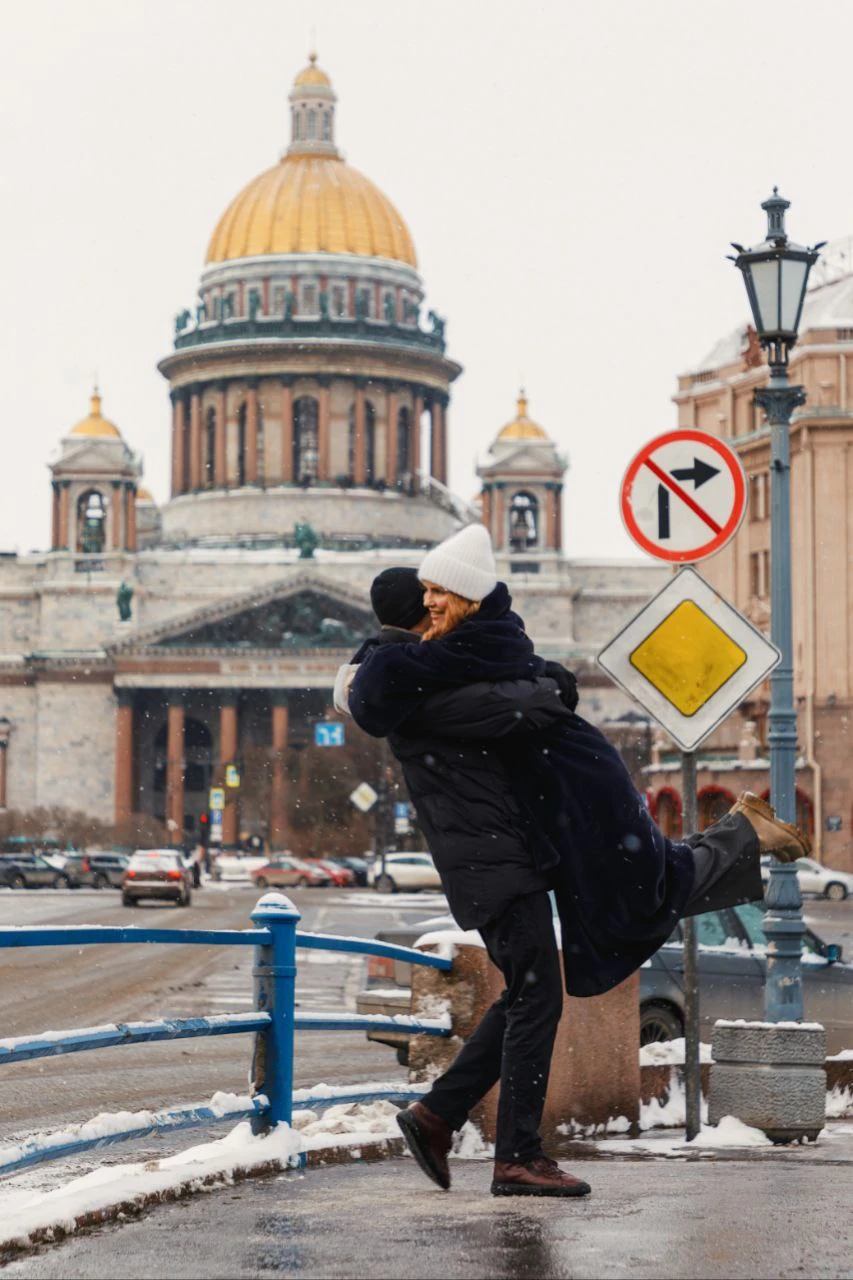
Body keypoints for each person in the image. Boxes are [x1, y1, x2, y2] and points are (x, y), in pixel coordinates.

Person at [339, 526, 810, 1199]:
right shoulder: (414, 687)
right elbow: (514, 706)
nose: (435, 606)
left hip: (503, 857)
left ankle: (440, 1117)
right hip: (493, 862)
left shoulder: (429, 674)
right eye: (428, 597)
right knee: (551, 979)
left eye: (443, 591)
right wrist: (545, 684)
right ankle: (509, 1154)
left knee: (537, 987)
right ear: (413, 620)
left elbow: (512, 702)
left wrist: (536, 685)